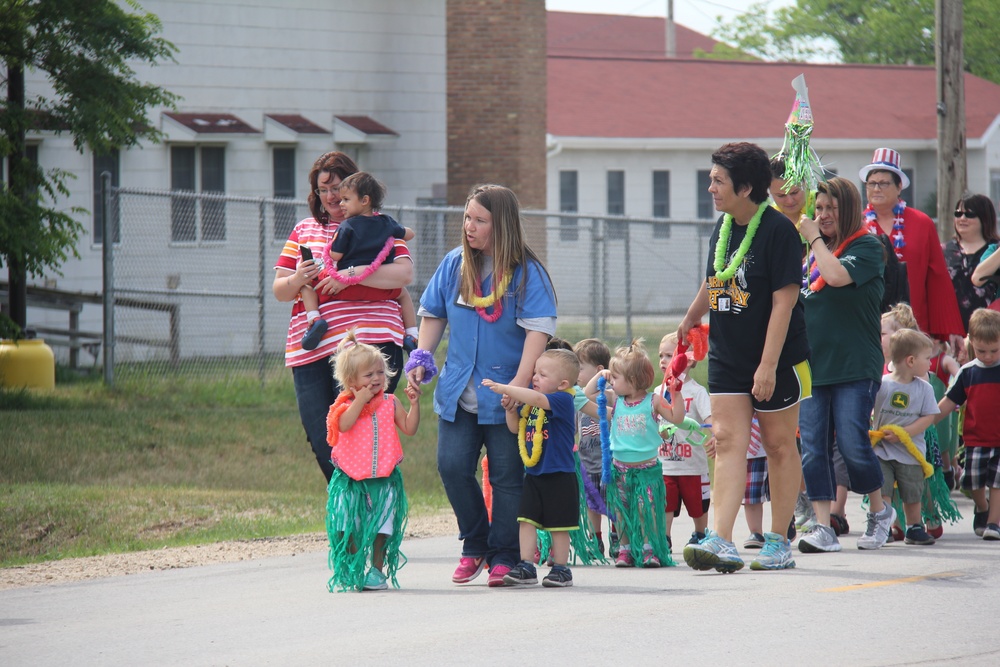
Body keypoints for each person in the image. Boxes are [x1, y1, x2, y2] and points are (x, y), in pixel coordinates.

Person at [405, 184, 557, 587]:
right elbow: (433, 313)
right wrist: (422, 355)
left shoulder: (527, 273)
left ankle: (504, 554)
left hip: (506, 396)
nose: (469, 226)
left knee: (507, 477)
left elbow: (537, 332)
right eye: (467, 217)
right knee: (452, 467)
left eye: (479, 220)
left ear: (501, 224)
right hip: (458, 392)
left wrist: (519, 387)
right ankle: (475, 543)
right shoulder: (456, 264)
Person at [679, 142, 809, 573]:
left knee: (776, 445)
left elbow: (783, 304)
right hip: (727, 354)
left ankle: (777, 541)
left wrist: (769, 365)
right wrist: (691, 318)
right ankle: (722, 539)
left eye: (718, 180)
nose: (711, 187)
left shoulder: (779, 232)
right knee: (730, 442)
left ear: (746, 187)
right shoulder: (723, 227)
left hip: (773, 357)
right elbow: (716, 280)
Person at [273, 151, 413, 483]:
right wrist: (298, 279)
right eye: (323, 190)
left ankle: (374, 514)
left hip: (373, 342)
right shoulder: (305, 230)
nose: (332, 196)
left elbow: (403, 275)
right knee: (323, 434)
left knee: (368, 428)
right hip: (314, 347)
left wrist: (349, 275)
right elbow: (280, 289)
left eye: (338, 187)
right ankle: (348, 507)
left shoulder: (380, 226)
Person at [795, 177, 897, 552]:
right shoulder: (811, 255)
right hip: (813, 368)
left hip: (855, 365)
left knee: (853, 443)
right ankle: (824, 526)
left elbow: (836, 276)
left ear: (849, 210)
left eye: (830, 209)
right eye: (818, 208)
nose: (822, 215)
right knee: (813, 448)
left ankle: (879, 511)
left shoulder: (867, 247)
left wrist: (815, 241)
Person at [324, 331, 421, 592]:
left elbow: (409, 428)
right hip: (351, 480)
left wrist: (414, 404)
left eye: (380, 372)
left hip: (383, 480)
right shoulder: (344, 406)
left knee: (382, 526)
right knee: (348, 524)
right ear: (350, 381)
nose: (377, 378)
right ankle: (354, 564)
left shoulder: (390, 402)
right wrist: (360, 401)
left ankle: (377, 571)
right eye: (369, 375)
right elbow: (343, 426)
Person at [482, 349, 582, 588]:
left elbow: (536, 399)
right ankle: (526, 565)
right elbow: (516, 429)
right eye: (535, 372)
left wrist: (506, 388)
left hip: (559, 475)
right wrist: (509, 411)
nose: (535, 378)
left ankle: (561, 568)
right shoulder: (532, 407)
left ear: (563, 384)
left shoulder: (562, 400)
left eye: (542, 374)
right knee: (526, 520)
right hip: (535, 474)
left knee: (559, 525)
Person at [584, 339, 684, 568]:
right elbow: (587, 393)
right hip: (620, 470)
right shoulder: (615, 400)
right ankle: (625, 550)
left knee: (645, 510)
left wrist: (675, 393)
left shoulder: (653, 401)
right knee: (620, 511)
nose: (612, 382)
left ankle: (649, 550)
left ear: (633, 380)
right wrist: (602, 375)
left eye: (616, 378)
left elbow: (676, 418)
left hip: (647, 471)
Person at [298, 171, 419, 351]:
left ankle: (315, 320)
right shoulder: (387, 222)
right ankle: (412, 336)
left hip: (343, 287)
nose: (341, 204)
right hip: (380, 289)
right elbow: (409, 234)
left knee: (306, 285)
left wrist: (331, 247)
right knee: (403, 294)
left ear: (364, 200)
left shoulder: (347, 226)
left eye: (346, 199)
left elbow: (336, 256)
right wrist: (396, 230)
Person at [860, 148, 964, 350]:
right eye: (871, 183)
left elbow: (938, 278)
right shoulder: (858, 225)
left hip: (915, 326)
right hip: (869, 327)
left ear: (899, 187)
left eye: (884, 183)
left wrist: (947, 328)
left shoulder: (922, 223)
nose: (876, 189)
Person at [871, 329, 941, 546]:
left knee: (912, 490)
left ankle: (913, 526)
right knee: (882, 488)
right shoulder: (881, 384)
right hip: (882, 450)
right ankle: (883, 524)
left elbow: (930, 416)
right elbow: (870, 410)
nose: (930, 363)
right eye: (927, 358)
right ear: (911, 360)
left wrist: (905, 433)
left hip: (911, 452)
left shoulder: (925, 389)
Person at [936, 308, 1000, 541]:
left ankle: (994, 522)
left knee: (997, 482)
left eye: (994, 350)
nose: (989, 356)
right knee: (972, 482)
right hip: (975, 440)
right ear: (971, 342)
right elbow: (948, 402)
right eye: (982, 351)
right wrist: (928, 421)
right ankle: (982, 508)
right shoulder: (968, 372)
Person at [656, 333, 713, 550]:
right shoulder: (657, 392)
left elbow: (710, 420)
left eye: (669, 355)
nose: (662, 360)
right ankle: (665, 539)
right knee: (664, 504)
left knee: (699, 506)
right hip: (665, 464)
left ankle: (700, 535)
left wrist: (715, 436)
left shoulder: (697, 392)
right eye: (660, 355)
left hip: (693, 466)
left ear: (688, 359)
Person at [574, 338, 613, 554]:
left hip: (609, 462)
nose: (575, 373)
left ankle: (617, 536)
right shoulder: (577, 400)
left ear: (599, 370)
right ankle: (594, 538)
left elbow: (591, 393)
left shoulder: (609, 395)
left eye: (579, 368)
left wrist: (601, 378)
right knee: (591, 503)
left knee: (615, 501)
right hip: (587, 462)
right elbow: (574, 430)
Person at [947, 194, 1000, 330]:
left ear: (984, 218)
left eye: (969, 215)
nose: (962, 218)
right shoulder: (943, 250)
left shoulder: (995, 250)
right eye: (958, 214)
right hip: (951, 331)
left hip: (990, 332)